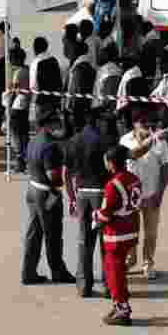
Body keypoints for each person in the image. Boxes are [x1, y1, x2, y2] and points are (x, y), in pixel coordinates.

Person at [64, 105, 117, 298]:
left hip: (82, 195)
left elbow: (66, 173)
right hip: (101, 194)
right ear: (97, 121)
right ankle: (107, 285)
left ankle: (84, 285)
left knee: (84, 241)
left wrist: (71, 198)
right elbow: (114, 170)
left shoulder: (73, 141)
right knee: (105, 241)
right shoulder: (105, 141)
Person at [23, 110, 77, 285]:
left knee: (34, 234)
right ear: (49, 124)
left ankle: (28, 272)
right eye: (56, 122)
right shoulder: (50, 146)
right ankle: (58, 271)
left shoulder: (34, 140)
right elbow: (53, 175)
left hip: (32, 189)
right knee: (53, 235)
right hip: (46, 194)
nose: (59, 125)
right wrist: (59, 187)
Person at [94, 144, 142, 326]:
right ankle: (120, 304)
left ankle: (121, 309)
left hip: (115, 234)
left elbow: (105, 214)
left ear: (111, 163)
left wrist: (95, 215)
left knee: (113, 273)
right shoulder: (134, 178)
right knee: (120, 271)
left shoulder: (112, 185)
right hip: (131, 228)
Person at [121, 112, 168, 278]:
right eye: (142, 122)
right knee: (130, 231)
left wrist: (160, 194)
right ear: (134, 123)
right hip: (131, 197)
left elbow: (165, 169)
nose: (147, 125)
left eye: (149, 122)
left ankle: (148, 263)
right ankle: (130, 260)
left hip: (151, 195)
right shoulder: (125, 140)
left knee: (150, 233)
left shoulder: (160, 142)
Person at [7, 47, 31, 174]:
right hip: (25, 106)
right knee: (24, 134)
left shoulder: (18, 72)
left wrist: (9, 107)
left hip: (17, 106)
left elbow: (14, 92)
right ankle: (26, 160)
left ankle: (20, 160)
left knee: (16, 135)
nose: (9, 60)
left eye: (11, 58)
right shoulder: (28, 70)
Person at [65, 41, 96, 135]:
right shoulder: (91, 67)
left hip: (78, 112)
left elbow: (76, 92)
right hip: (87, 110)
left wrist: (71, 111)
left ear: (76, 52)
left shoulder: (78, 69)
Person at [31, 37, 64, 123]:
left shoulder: (36, 62)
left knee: (41, 130)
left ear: (35, 48)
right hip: (55, 101)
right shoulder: (54, 60)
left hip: (42, 101)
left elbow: (33, 85)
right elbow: (59, 79)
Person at [116, 58, 145, 135]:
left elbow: (124, 96)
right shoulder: (139, 73)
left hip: (130, 111)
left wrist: (119, 113)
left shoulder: (127, 77)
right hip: (141, 109)